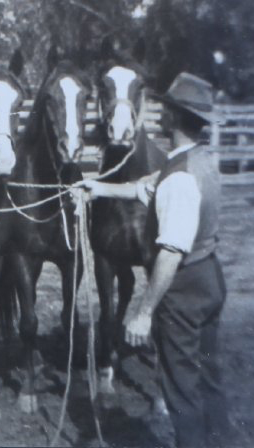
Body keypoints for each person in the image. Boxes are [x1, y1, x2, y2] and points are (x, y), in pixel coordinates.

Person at [76, 72, 232, 448]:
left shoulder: (178, 178)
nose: (157, 113)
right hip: (210, 277)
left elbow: (171, 252)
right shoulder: (197, 162)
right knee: (207, 376)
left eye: (164, 109)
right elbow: (144, 187)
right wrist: (96, 187)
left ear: (175, 118)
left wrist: (145, 312)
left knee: (181, 389)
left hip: (183, 287)